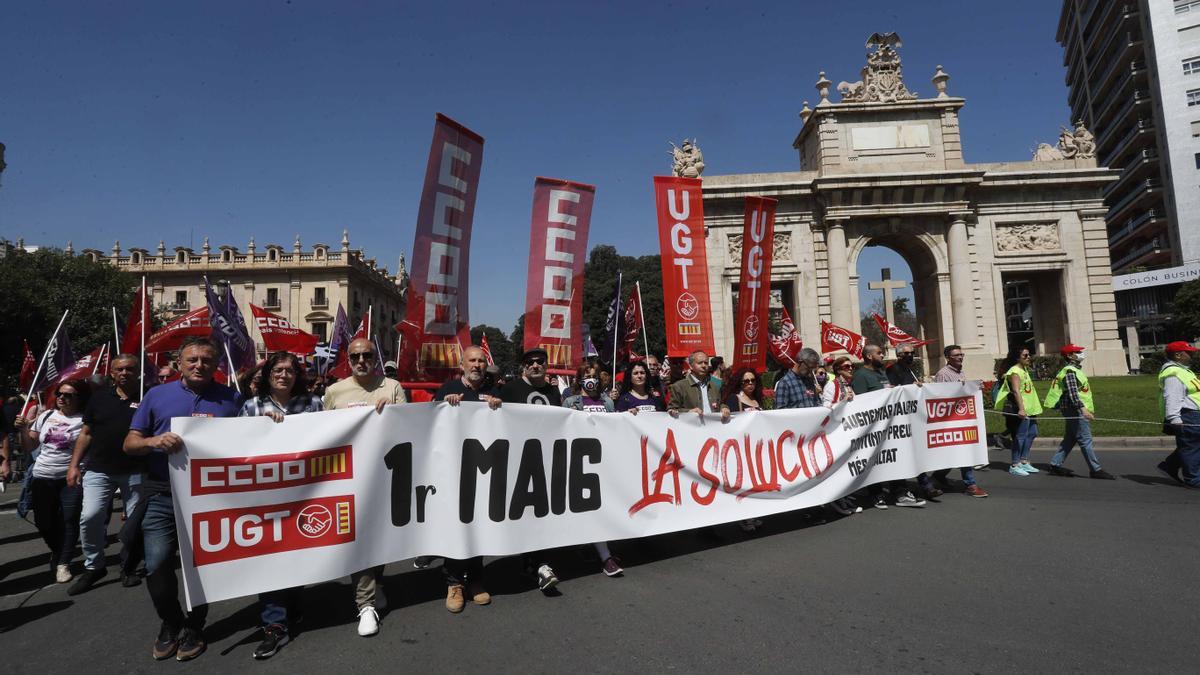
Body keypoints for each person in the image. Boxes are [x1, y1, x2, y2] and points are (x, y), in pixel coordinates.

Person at [124, 336, 242, 661]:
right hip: (162, 492)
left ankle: (194, 625)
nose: (199, 365)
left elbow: (249, 444)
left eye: (206, 360)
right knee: (157, 564)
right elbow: (129, 444)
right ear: (179, 363)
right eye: (192, 360)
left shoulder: (232, 399)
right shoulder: (156, 395)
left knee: (201, 566)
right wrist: (153, 441)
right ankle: (170, 621)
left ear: (216, 364)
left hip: (210, 496)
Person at [239, 352, 324, 659]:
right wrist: (258, 428)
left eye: (290, 370)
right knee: (269, 558)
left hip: (304, 494)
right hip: (265, 497)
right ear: (268, 374)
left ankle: (293, 601)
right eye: (278, 369)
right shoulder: (251, 407)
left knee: (297, 552)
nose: (284, 374)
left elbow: (330, 438)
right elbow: (233, 447)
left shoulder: (313, 404)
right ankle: (274, 626)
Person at [322, 337, 406, 636]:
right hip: (348, 478)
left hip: (385, 475)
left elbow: (408, 429)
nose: (361, 361)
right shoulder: (334, 392)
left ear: (376, 357)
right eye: (355, 356)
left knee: (380, 537)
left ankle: (376, 582)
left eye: (367, 355)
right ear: (348, 359)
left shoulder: (392, 387)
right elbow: (322, 434)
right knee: (359, 538)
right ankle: (365, 604)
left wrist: (393, 413)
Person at [65, 354, 145, 595]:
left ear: (138, 372)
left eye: (130, 369)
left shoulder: (148, 396)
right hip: (99, 470)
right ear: (112, 372)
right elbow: (86, 434)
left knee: (134, 524)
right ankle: (94, 566)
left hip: (137, 470)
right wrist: (73, 465)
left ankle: (129, 566)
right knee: (90, 517)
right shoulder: (98, 399)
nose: (125, 373)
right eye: (120, 369)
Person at [435, 345, 502, 609]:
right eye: (471, 361)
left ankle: (475, 579)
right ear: (462, 365)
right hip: (454, 472)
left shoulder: (495, 392)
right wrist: (444, 405)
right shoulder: (447, 389)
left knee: (479, 526)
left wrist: (500, 406)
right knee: (456, 526)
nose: (476, 365)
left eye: (481, 361)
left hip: (485, 472)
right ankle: (454, 583)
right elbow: (430, 422)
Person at [19, 379, 90, 584]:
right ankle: (58, 551)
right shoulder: (46, 416)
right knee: (44, 522)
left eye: (68, 395)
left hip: (71, 478)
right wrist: (23, 430)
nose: (62, 398)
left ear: (79, 398)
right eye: (59, 393)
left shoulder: (85, 419)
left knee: (69, 519)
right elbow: (29, 446)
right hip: (42, 476)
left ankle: (63, 563)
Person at [851, 344, 926, 508]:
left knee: (896, 457)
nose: (883, 355)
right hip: (873, 428)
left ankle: (900, 492)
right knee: (875, 461)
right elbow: (861, 403)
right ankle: (875, 494)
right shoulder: (860, 375)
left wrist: (911, 389)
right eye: (879, 353)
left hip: (891, 426)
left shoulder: (882, 373)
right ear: (869, 356)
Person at [1044, 344, 1113, 480]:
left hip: (1072, 409)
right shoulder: (1070, 371)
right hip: (1074, 409)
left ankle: (1055, 465)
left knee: (1070, 438)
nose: (1081, 353)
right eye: (1077, 351)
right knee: (1085, 439)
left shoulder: (1074, 370)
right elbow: (1073, 393)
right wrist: (1083, 410)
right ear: (1070, 356)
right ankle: (1095, 469)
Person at [930, 345, 989, 498]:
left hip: (961, 419)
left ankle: (938, 476)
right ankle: (970, 484)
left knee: (956, 452)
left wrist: (975, 388)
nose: (960, 357)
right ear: (948, 358)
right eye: (956, 355)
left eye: (961, 354)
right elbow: (940, 397)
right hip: (949, 421)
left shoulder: (960, 372)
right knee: (963, 451)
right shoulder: (943, 374)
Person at [887, 343, 942, 500]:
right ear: (899, 355)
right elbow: (893, 390)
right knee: (903, 454)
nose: (910, 355)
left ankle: (926, 485)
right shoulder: (892, 370)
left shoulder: (911, 370)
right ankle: (900, 488)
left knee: (916, 453)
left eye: (912, 352)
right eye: (907, 353)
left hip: (912, 418)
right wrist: (909, 387)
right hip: (899, 419)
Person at [1157, 341, 1200, 487]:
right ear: (1178, 355)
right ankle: (1193, 479)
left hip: (1194, 414)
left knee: (1191, 445)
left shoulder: (1183, 370)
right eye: (1189, 352)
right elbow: (1172, 397)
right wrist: (1174, 418)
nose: (1192, 354)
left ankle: (1170, 466)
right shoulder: (1173, 374)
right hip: (1188, 414)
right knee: (1191, 447)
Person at [993, 346, 1042, 476]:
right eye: (1025, 356)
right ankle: (1015, 464)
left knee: (1032, 433)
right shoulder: (1014, 371)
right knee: (1020, 437)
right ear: (1017, 358)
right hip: (1021, 409)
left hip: (1031, 408)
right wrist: (1021, 409)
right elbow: (1015, 391)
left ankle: (1024, 461)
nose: (1028, 357)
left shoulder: (1024, 369)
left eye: (1029, 355)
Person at [667, 351, 731, 422]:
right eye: (700, 363)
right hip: (693, 428)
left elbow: (721, 404)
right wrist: (689, 412)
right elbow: (672, 410)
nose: (704, 366)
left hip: (714, 428)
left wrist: (724, 408)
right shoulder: (679, 386)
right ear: (691, 366)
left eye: (706, 363)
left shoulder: (715, 386)